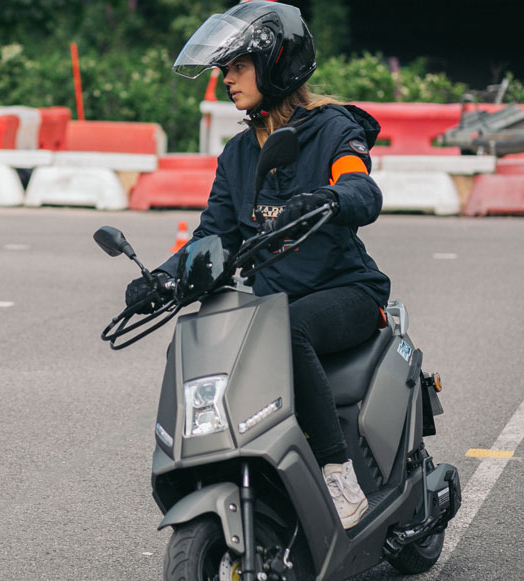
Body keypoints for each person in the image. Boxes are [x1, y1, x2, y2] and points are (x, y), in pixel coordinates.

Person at [126, 0, 389, 530]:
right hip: (275, 303)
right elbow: (213, 237)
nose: (227, 79)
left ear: (278, 64)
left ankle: (338, 473)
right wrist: (163, 278)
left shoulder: (334, 130)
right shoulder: (239, 154)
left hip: (348, 292)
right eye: (224, 68)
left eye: (238, 66)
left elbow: (360, 185)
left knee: (286, 331)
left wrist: (330, 199)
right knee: (220, 335)